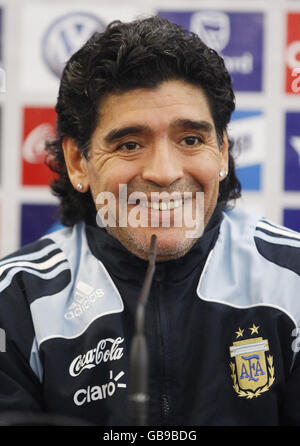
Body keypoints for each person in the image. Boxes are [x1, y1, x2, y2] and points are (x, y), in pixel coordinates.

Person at [0, 15, 300, 427]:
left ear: (222, 150)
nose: (163, 171)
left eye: (191, 139)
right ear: (77, 163)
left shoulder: (292, 279)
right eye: (129, 144)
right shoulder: (15, 300)